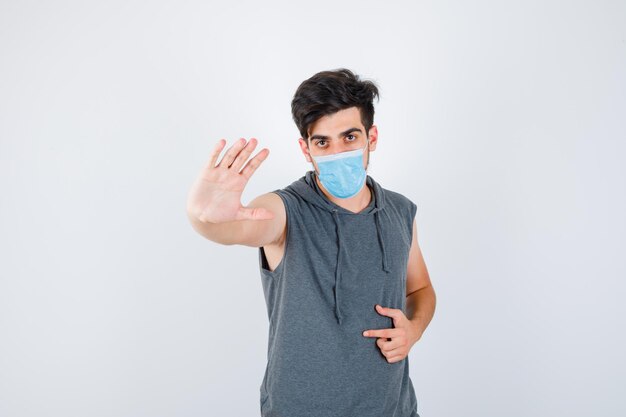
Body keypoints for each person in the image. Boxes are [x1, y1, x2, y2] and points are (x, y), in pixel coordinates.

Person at [186, 68, 436, 417]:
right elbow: (233, 229)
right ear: (306, 148)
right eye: (323, 142)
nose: (338, 152)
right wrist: (204, 217)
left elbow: (420, 288)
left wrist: (415, 329)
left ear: (372, 137)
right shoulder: (285, 211)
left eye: (350, 137)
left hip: (393, 409)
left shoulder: (399, 211)